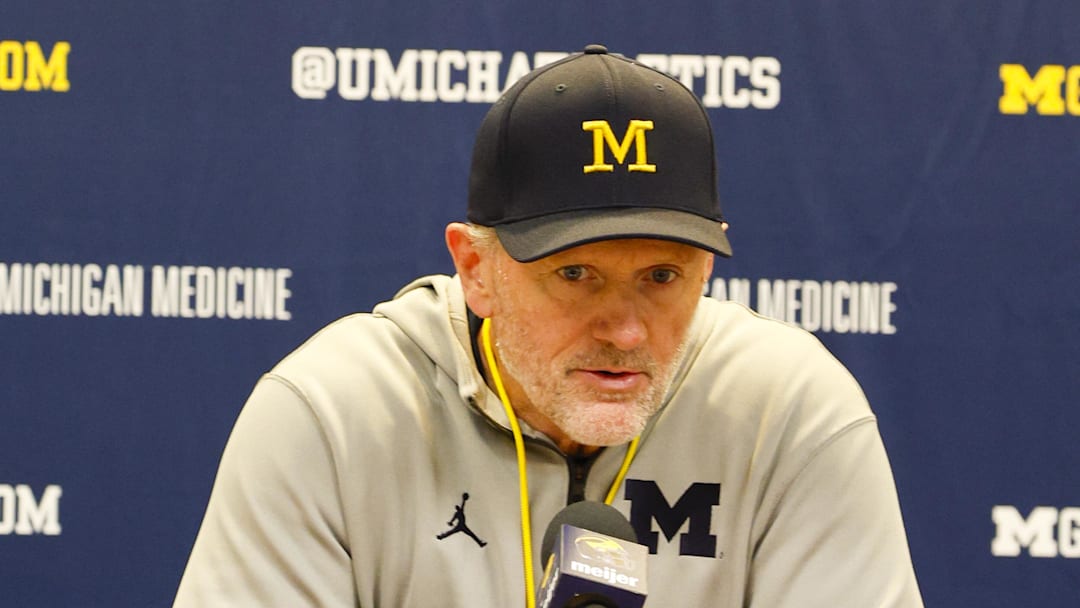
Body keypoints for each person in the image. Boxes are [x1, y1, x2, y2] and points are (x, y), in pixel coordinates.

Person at [174, 44, 923, 607]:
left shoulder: (790, 411)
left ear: (707, 273)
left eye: (662, 278)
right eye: (575, 275)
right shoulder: (331, 415)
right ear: (476, 268)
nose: (627, 331)